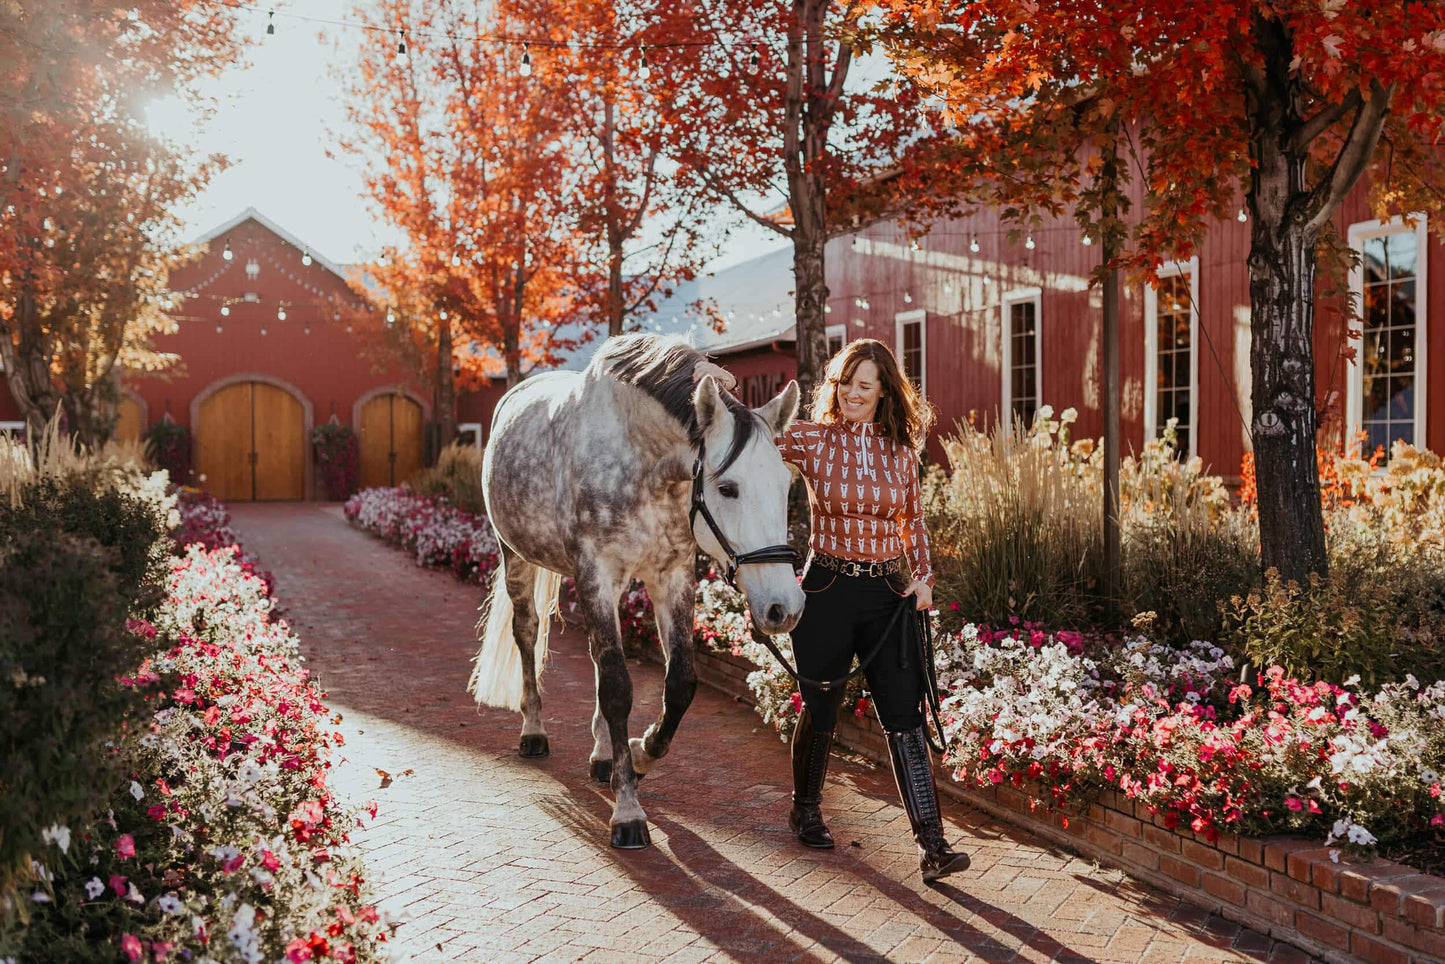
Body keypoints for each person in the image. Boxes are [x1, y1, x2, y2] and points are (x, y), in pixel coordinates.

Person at [694, 340, 969, 883]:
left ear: (885, 392)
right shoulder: (812, 441)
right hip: (827, 590)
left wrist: (924, 579)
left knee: (904, 715)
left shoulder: (899, 449)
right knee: (821, 707)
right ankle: (806, 808)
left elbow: (911, 521)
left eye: (865, 386)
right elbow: (751, 433)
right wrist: (712, 378)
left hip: (888, 594)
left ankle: (932, 844)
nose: (852, 395)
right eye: (845, 383)